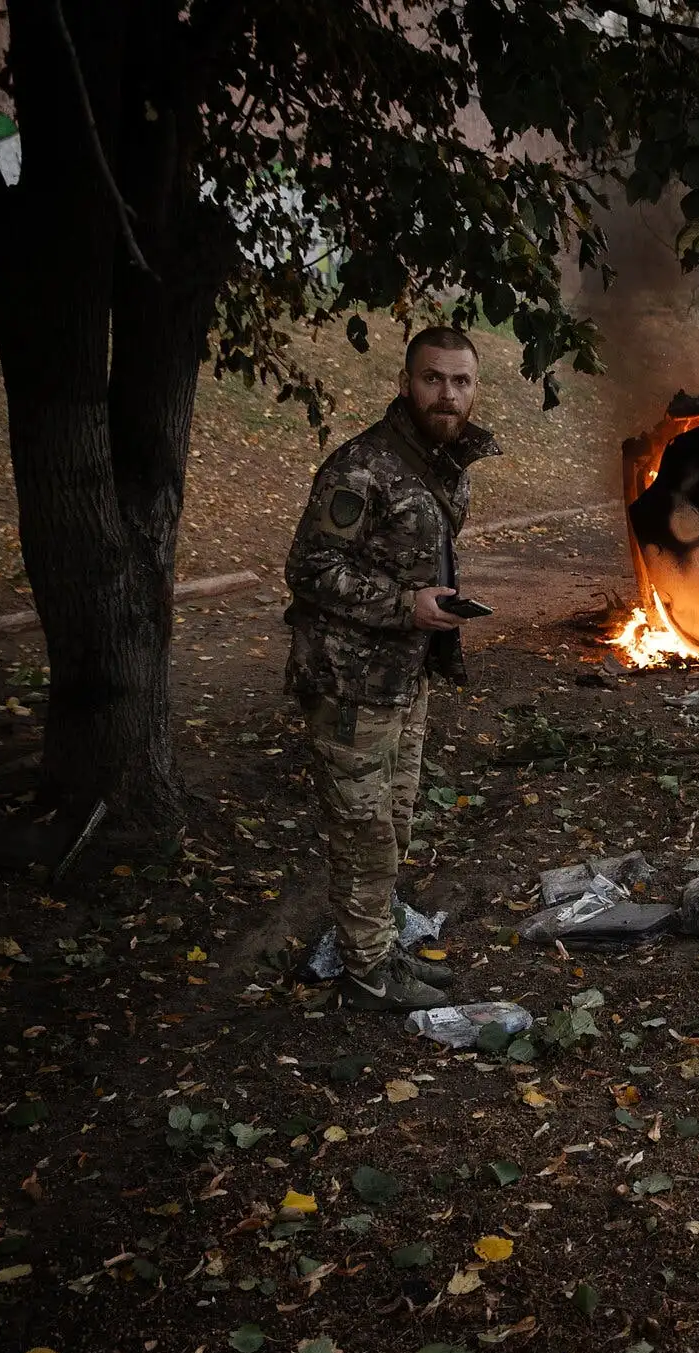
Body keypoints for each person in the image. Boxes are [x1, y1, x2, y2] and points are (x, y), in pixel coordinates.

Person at [283, 326, 499, 1012]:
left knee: (393, 820)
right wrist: (406, 605)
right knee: (363, 830)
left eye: (461, 381)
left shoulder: (443, 463)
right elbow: (310, 569)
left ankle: (378, 945)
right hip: (352, 684)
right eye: (434, 378)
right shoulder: (361, 467)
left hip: (406, 679)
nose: (448, 394)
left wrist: (431, 610)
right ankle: (369, 970)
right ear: (407, 383)